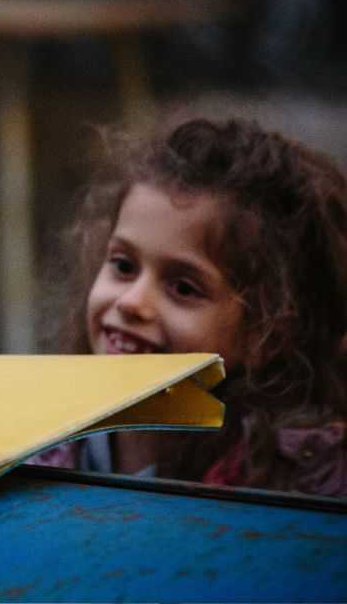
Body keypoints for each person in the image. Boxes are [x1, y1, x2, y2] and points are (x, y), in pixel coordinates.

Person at [32, 115, 347, 496]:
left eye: (183, 288)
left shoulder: (303, 488)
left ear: (266, 336)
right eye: (123, 265)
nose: (131, 302)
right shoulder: (38, 447)